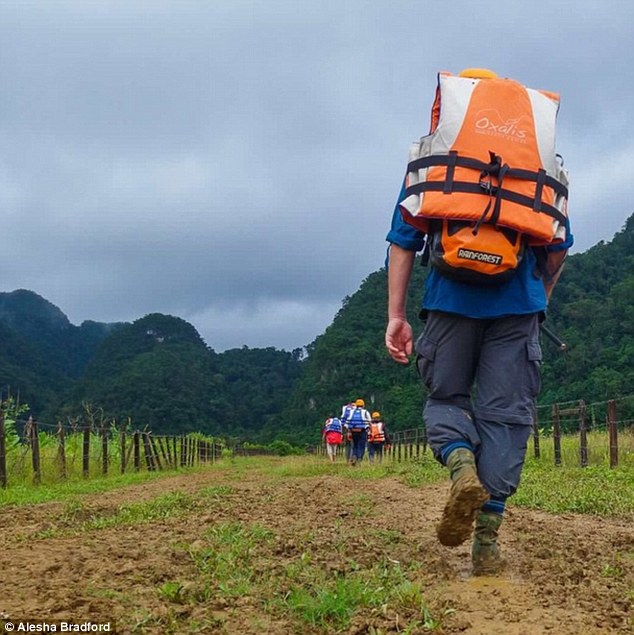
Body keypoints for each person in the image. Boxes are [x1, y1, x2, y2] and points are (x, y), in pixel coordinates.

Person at [384, 68, 573, 575]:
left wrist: (396, 316)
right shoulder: (539, 167)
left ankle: (460, 463)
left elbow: (402, 242)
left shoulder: (435, 163)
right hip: (518, 309)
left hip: (449, 303)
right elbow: (556, 252)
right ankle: (487, 540)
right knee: (506, 417)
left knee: (446, 399)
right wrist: (538, 301)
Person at [342, 398, 371, 465]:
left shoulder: (351, 411)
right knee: (361, 445)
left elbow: (347, 421)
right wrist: (370, 431)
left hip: (353, 430)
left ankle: (354, 456)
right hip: (362, 431)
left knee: (354, 445)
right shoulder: (365, 412)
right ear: (363, 405)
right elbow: (369, 422)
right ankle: (359, 459)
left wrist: (348, 431)